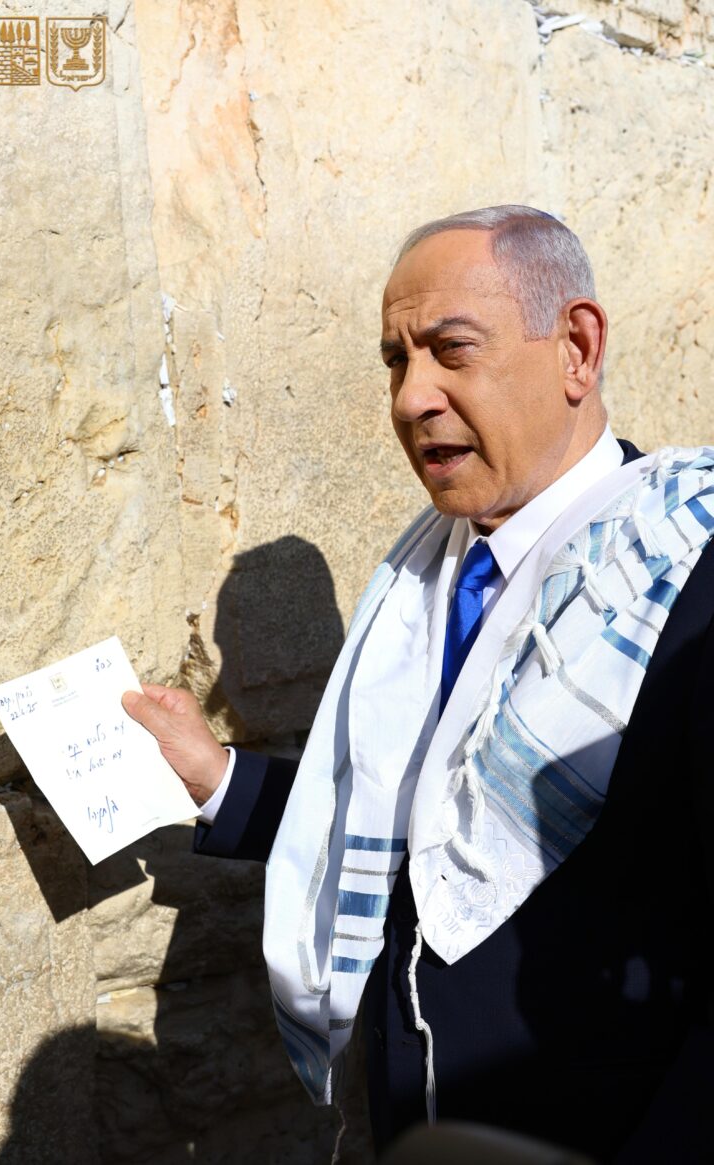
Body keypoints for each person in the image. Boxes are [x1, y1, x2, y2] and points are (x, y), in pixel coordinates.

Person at [123, 206, 714, 1163]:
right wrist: (218, 778)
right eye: (397, 361)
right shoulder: (422, 581)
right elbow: (418, 830)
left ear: (576, 348)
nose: (411, 398)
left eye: (451, 350)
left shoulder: (680, 576)